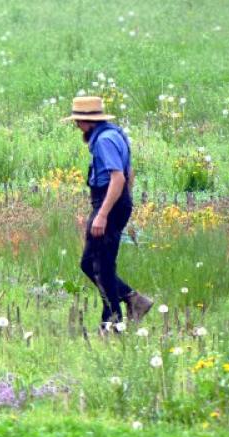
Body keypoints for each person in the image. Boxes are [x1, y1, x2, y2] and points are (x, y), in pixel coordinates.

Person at [61, 96, 153, 333]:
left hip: (108, 204)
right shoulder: (115, 134)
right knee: (101, 265)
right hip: (116, 203)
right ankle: (113, 321)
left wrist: (103, 214)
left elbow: (118, 178)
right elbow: (129, 172)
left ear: (86, 121)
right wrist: (124, 202)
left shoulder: (104, 141)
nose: (77, 126)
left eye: (78, 122)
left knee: (93, 265)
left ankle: (127, 307)